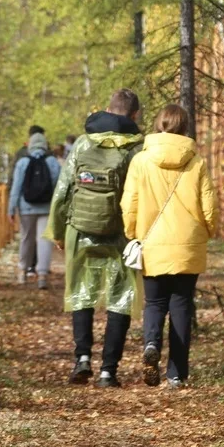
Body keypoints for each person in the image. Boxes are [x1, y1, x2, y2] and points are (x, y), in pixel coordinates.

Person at [45, 90, 145, 388]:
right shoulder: (136, 148)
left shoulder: (82, 143)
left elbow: (63, 191)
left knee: (81, 292)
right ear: (134, 115)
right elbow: (139, 195)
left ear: (106, 109)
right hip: (121, 234)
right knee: (120, 298)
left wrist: (59, 231)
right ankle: (108, 372)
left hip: (81, 229)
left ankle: (82, 358)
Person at [121, 104, 217, 388]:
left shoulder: (141, 161)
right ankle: (176, 373)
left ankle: (151, 343)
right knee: (182, 305)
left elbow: (130, 203)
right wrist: (208, 231)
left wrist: (132, 232)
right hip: (188, 242)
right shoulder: (196, 162)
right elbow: (208, 205)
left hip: (152, 242)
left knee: (154, 302)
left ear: (158, 125)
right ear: (185, 127)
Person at [8, 132, 62, 288]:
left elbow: (16, 188)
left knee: (26, 238)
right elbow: (59, 187)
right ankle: (42, 276)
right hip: (46, 207)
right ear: (45, 145)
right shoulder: (52, 161)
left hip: (26, 208)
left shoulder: (23, 162)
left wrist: (11, 208)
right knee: (44, 240)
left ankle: (22, 272)